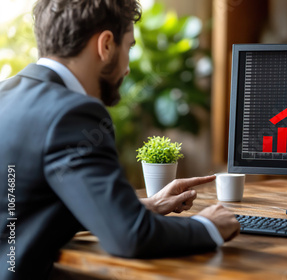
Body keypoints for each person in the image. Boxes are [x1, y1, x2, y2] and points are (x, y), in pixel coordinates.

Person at [0, 1, 240, 279]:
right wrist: (207, 226)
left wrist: (136, 207)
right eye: (129, 47)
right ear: (106, 45)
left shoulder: (5, 94)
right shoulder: (73, 113)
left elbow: (21, 209)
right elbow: (131, 237)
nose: (127, 67)